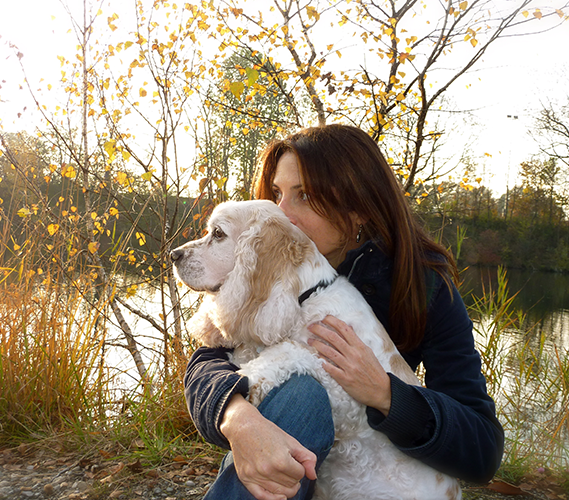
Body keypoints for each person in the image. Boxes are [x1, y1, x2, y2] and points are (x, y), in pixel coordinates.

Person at [183, 124, 504, 500]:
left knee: (301, 391)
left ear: (358, 210)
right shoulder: (262, 265)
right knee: (297, 395)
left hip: (386, 485)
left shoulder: (423, 286)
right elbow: (209, 364)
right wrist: (237, 417)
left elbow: (482, 452)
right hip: (305, 469)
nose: (281, 212)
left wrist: (386, 395)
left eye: (303, 195)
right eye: (276, 193)